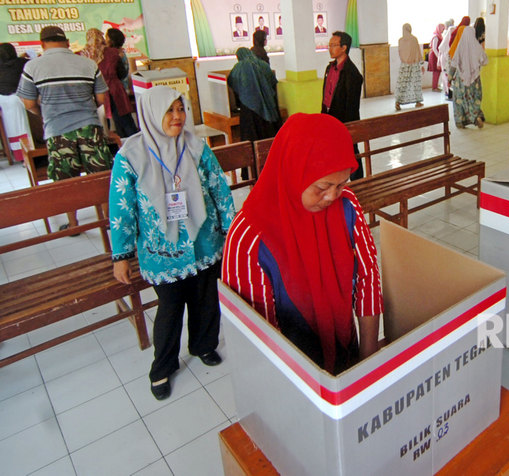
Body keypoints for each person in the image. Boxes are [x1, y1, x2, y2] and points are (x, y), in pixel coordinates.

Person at [222, 113, 383, 375]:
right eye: (322, 186)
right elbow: (258, 337)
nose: (332, 195)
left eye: (341, 183)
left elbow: (368, 278)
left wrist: (367, 361)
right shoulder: (249, 237)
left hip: (347, 354)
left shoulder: (347, 205)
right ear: (292, 171)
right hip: (289, 376)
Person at [109, 86, 235, 400]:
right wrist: (121, 254)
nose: (177, 117)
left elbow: (219, 189)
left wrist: (231, 229)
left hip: (204, 242)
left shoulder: (196, 147)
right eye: (169, 111)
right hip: (162, 252)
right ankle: (162, 367)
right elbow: (122, 208)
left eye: (180, 109)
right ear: (152, 114)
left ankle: (204, 345)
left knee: (206, 297)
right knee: (170, 307)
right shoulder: (131, 156)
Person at [17, 26, 112, 231]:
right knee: (100, 175)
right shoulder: (88, 64)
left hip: (57, 130)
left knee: (66, 180)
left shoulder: (32, 67)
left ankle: (74, 224)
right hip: (90, 127)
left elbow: (28, 103)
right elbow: (101, 98)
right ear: (67, 42)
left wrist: (46, 113)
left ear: (42, 44)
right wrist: (85, 109)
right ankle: (108, 221)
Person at [321, 30, 364, 180]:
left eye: (334, 45)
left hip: (345, 121)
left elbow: (351, 107)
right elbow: (326, 95)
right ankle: (336, 181)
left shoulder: (352, 74)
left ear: (344, 47)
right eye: (329, 45)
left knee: (351, 151)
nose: (330, 48)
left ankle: (358, 182)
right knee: (332, 152)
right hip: (329, 117)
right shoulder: (330, 68)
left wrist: (347, 127)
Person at [227, 47, 283, 143]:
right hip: (268, 106)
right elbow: (273, 82)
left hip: (248, 108)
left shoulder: (239, 68)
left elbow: (231, 82)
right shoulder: (264, 65)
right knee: (268, 137)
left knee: (251, 138)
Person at [448, 19, 487, 129]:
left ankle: (461, 121)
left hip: (460, 80)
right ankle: (476, 116)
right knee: (474, 99)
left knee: (459, 100)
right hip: (475, 80)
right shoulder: (478, 47)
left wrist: (450, 78)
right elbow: (485, 61)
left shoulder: (460, 48)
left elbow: (454, 64)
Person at [101, 29, 138, 137]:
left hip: (118, 90)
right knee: (121, 120)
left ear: (111, 40)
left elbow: (122, 73)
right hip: (119, 89)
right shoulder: (119, 52)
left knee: (122, 120)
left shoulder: (114, 54)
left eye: (106, 37)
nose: (105, 40)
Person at [0, 43, 30, 162]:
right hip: (20, 99)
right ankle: (29, 154)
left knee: (12, 128)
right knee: (25, 126)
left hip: (3, 102)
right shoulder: (21, 63)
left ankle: (18, 155)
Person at [395, 23, 423, 111]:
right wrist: (421, 64)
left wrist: (405, 60)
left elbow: (400, 52)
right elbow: (418, 52)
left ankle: (398, 102)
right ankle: (418, 102)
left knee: (402, 83)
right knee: (415, 83)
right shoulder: (414, 39)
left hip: (404, 65)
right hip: (414, 64)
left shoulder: (400, 40)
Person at [437, 19, 455, 99]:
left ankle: (449, 91)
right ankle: (448, 91)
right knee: (446, 74)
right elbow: (441, 48)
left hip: (448, 57)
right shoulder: (448, 33)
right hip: (447, 57)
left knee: (447, 74)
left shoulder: (448, 32)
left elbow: (441, 48)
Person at [427, 23, 444, 92]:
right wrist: (439, 57)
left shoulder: (439, 36)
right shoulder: (436, 37)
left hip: (437, 55)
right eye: (442, 29)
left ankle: (436, 86)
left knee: (438, 71)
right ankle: (434, 87)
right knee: (436, 72)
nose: (443, 30)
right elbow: (434, 48)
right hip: (435, 56)